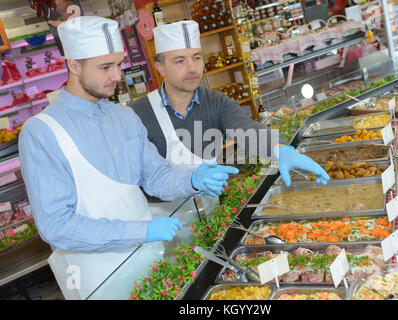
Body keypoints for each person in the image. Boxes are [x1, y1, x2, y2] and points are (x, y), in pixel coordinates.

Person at [18, 16, 238, 300]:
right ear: (73, 65)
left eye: (118, 64)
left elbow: (156, 177)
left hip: (151, 263)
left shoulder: (123, 115)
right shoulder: (42, 132)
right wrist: (140, 230)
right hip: (97, 278)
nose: (117, 76)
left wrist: (193, 178)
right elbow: (56, 225)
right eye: (105, 67)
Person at [129, 20, 330, 217]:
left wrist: (281, 150)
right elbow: (138, 178)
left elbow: (246, 128)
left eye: (197, 57)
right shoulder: (136, 114)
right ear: (160, 67)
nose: (192, 68)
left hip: (210, 215)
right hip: (163, 226)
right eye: (180, 60)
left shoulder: (216, 102)